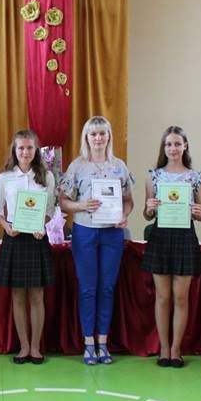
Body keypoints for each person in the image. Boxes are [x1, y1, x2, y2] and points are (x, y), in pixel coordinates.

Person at [59, 116, 134, 366]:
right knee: (87, 288)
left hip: (112, 233)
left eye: (102, 133)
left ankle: (103, 342)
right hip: (85, 232)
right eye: (93, 134)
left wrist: (124, 216)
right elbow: (63, 202)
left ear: (109, 136)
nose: (98, 138)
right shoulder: (77, 166)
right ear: (86, 138)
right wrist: (82, 205)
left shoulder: (119, 166)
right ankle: (88, 343)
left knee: (107, 288)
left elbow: (128, 201)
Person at [142, 126, 201, 369]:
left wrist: (198, 211)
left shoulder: (196, 177)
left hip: (185, 237)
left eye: (178, 144)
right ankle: (164, 348)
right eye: (169, 144)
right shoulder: (153, 175)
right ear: (164, 147)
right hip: (160, 237)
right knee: (162, 296)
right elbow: (147, 214)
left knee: (181, 297)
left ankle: (176, 349)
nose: (173, 148)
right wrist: (150, 208)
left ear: (185, 146)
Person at [0, 130, 56, 365]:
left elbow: (49, 210)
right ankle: (24, 346)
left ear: (36, 150)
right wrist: (6, 227)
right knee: (18, 295)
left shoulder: (46, 176)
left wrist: (43, 224)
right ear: (14, 150)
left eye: (30, 148)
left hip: (37, 239)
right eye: (21, 148)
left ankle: (36, 347)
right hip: (14, 237)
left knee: (37, 295)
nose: (25, 152)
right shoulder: (5, 177)